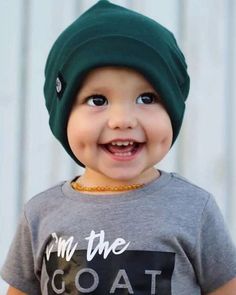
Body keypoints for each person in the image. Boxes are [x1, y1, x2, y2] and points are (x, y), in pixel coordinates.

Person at [1, 1, 236, 294]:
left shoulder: (194, 210)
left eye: (147, 99)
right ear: (64, 116)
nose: (123, 120)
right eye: (97, 100)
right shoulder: (40, 214)